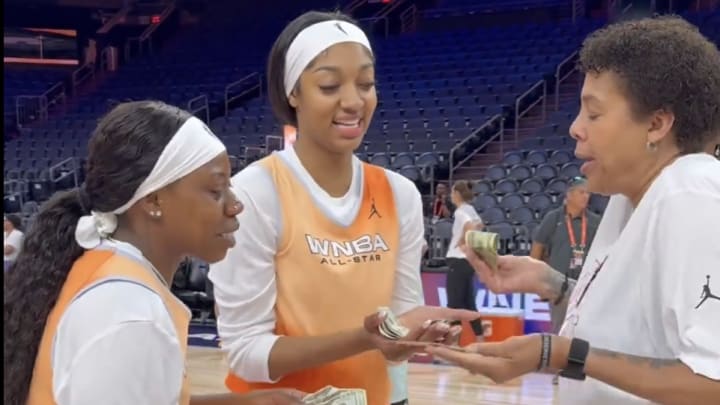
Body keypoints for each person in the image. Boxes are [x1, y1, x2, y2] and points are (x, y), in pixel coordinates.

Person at [423, 16, 720, 404]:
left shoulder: (692, 195)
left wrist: (560, 353)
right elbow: (640, 332)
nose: (575, 128)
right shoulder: (632, 197)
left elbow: (710, 382)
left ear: (656, 124)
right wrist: (553, 284)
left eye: (593, 114)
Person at [208, 11, 480, 405]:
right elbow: (246, 353)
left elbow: (400, 323)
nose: (354, 101)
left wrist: (414, 336)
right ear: (293, 92)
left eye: (366, 84)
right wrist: (363, 339)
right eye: (330, 85)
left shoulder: (398, 193)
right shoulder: (254, 193)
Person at [3, 101, 305, 405]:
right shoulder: (131, 316)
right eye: (216, 190)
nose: (235, 205)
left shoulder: (103, 269)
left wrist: (243, 402)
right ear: (153, 201)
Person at [530, 176, 600, 334]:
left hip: (585, 283)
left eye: (588, 193)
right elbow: (538, 245)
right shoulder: (553, 218)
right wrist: (535, 279)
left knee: (584, 328)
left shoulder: (595, 221)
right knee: (559, 327)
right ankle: (558, 358)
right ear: (569, 194)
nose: (586, 196)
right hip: (559, 284)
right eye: (582, 192)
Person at [445, 180, 484, 341]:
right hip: (467, 262)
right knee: (468, 302)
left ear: (457, 194)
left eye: (452, 192)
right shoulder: (470, 209)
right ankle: (480, 340)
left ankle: (454, 344)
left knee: (454, 304)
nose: (450, 195)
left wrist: (462, 241)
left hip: (458, 260)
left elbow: (472, 227)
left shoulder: (461, 211)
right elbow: (480, 225)